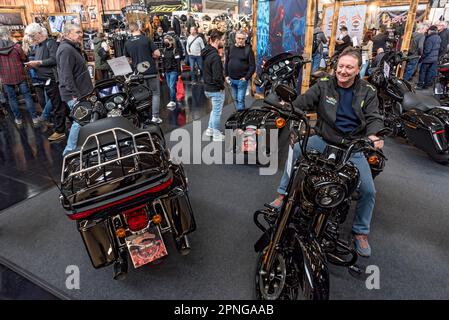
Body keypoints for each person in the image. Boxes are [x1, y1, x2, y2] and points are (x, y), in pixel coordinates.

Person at [270, 48, 384, 257]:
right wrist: (288, 108)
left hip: (352, 146)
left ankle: (360, 232)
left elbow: (374, 117)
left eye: (349, 67)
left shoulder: (367, 90)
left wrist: (374, 136)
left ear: (358, 70)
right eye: (341, 66)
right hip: (323, 139)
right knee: (295, 151)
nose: (343, 71)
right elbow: (303, 102)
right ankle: (281, 194)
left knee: (368, 190)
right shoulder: (324, 85)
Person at [25, 23, 69, 140]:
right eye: (30, 36)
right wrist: (33, 65)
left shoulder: (50, 43)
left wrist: (38, 63)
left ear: (39, 33)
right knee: (60, 104)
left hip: (53, 80)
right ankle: (76, 123)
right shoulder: (39, 46)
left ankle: (60, 130)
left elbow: (54, 60)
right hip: (46, 80)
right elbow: (43, 62)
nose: (31, 38)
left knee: (57, 105)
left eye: (32, 35)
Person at [56, 24, 94, 156]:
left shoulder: (72, 48)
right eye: (77, 32)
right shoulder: (66, 49)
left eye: (81, 32)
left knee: (83, 120)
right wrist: (76, 95)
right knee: (80, 121)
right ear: (68, 34)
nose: (81, 35)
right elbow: (66, 76)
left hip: (81, 93)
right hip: (75, 94)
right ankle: (69, 152)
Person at [0, 26, 39, 127]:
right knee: (27, 97)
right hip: (19, 75)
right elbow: (23, 58)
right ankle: (34, 118)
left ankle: (18, 119)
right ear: (8, 34)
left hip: (6, 77)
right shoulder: (16, 47)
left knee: (12, 99)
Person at [124, 22, 162, 123]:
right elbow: (157, 54)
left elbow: (128, 60)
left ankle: (145, 118)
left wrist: (135, 61)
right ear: (139, 28)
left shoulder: (127, 43)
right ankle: (155, 117)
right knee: (155, 94)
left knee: (143, 96)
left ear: (130, 31)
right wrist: (151, 56)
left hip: (138, 74)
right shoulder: (146, 39)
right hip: (151, 71)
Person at [202, 29, 226, 142]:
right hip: (215, 89)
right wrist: (222, 86)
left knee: (214, 110)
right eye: (223, 40)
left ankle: (210, 129)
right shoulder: (215, 56)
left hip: (207, 87)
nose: (224, 42)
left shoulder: (206, 53)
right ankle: (216, 134)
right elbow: (217, 77)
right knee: (217, 112)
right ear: (216, 41)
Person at [224, 30, 255, 111]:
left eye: (242, 39)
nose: (240, 40)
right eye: (239, 38)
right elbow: (226, 62)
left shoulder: (248, 50)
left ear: (245, 39)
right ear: (235, 38)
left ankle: (239, 118)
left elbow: (252, 66)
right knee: (236, 99)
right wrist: (226, 75)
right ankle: (241, 115)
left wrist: (246, 78)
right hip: (231, 79)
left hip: (242, 80)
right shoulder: (231, 48)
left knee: (240, 100)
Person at [417, 25, 441, 90]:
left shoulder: (430, 38)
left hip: (427, 58)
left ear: (430, 31)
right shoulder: (438, 37)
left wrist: (422, 57)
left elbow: (427, 50)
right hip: (434, 59)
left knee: (423, 72)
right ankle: (426, 85)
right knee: (429, 72)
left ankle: (420, 85)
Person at [161, 34, 181, 109]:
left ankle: (172, 101)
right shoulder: (163, 50)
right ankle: (175, 95)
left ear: (171, 42)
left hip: (174, 71)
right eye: (164, 41)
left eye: (166, 41)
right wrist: (163, 71)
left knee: (171, 86)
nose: (165, 42)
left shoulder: (175, 50)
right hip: (167, 71)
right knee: (170, 86)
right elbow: (163, 61)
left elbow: (178, 62)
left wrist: (179, 73)